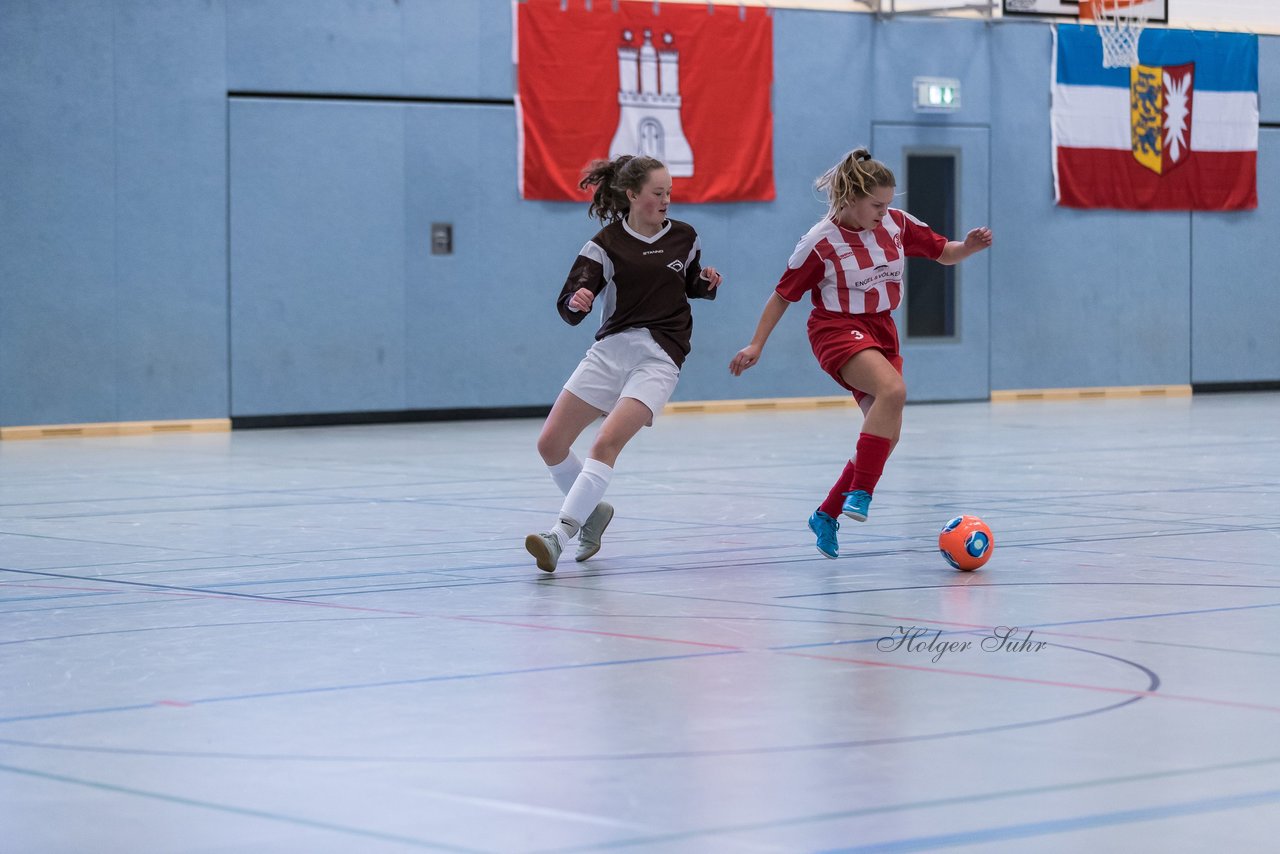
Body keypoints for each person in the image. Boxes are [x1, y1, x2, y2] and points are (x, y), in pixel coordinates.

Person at [729, 147, 992, 559]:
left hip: (882, 331)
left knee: (887, 435)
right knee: (893, 390)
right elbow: (782, 295)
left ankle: (826, 513)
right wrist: (757, 343)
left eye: (889, 204)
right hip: (835, 330)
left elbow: (944, 252)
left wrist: (969, 247)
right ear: (850, 198)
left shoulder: (897, 224)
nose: (884, 212)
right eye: (876, 204)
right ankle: (862, 494)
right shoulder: (820, 242)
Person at [525, 154, 723, 572]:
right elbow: (571, 302)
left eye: (669, 192)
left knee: (605, 443)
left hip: (660, 355)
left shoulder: (685, 237)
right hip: (611, 350)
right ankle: (594, 513)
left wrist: (705, 284)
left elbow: (689, 285)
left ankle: (559, 535)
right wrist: (576, 303)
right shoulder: (604, 245)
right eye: (658, 193)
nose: (667, 200)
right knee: (550, 444)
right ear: (633, 195)